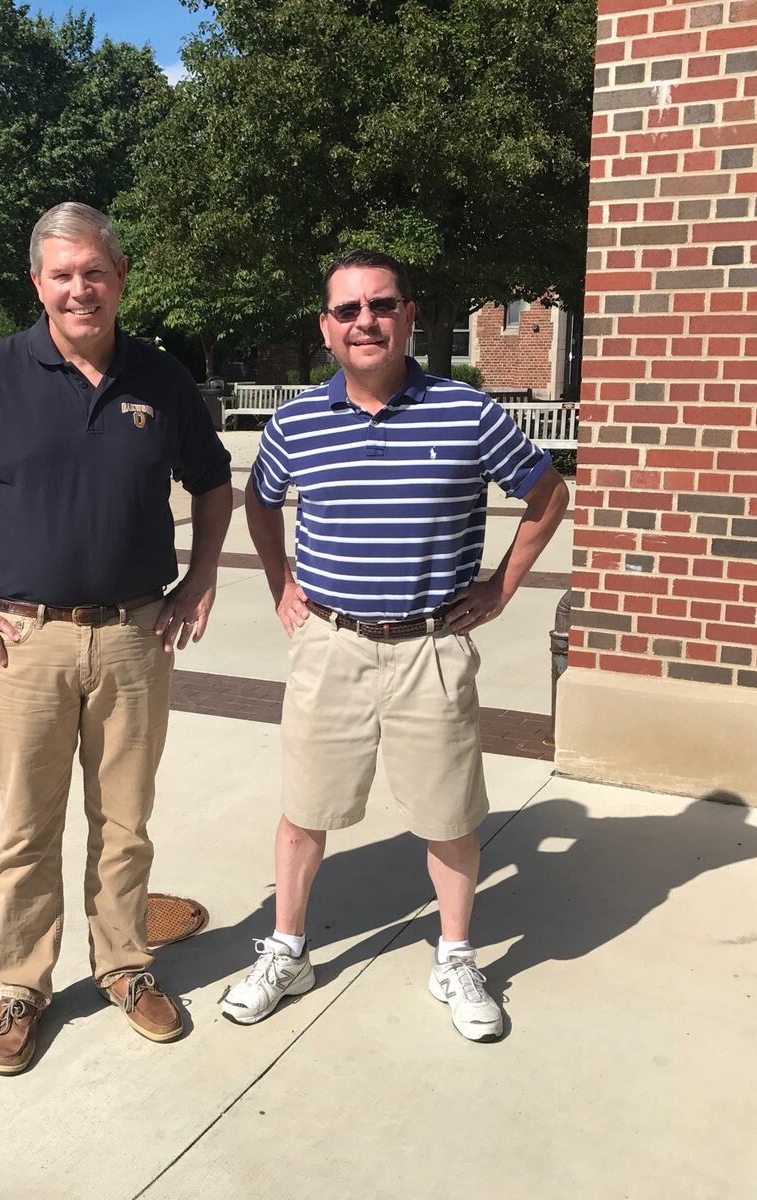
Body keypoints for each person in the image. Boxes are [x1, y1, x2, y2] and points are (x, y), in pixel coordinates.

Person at [0, 201, 233, 1074]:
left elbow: (215, 482)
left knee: (124, 821)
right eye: (63, 274)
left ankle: (124, 968)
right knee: (27, 826)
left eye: (96, 272)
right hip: (22, 642)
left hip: (133, 637)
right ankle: (23, 988)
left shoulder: (161, 379)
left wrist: (201, 576)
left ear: (120, 279)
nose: (81, 289)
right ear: (37, 284)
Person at [222, 250, 569, 1041]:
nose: (365, 321)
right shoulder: (295, 422)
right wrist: (281, 581)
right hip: (330, 645)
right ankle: (288, 949)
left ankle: (454, 956)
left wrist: (501, 587)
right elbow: (260, 498)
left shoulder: (468, 415)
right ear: (326, 328)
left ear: (410, 316)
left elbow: (548, 495)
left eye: (381, 305)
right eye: (347, 310)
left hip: (431, 647)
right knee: (304, 813)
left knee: (449, 816)